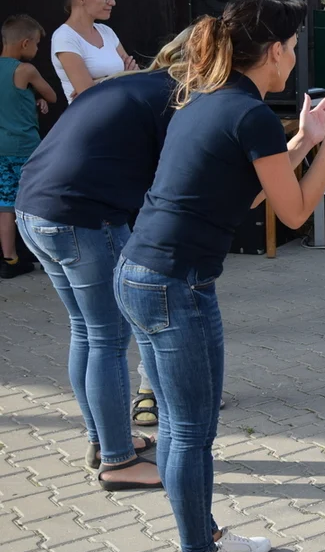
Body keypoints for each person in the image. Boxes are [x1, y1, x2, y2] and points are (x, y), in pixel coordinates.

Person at [114, 0, 325, 552]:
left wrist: (310, 137)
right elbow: (293, 212)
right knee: (189, 430)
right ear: (275, 51)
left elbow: (250, 194)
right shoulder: (249, 112)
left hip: (157, 276)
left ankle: (203, 534)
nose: (295, 60)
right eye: (293, 48)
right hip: (170, 283)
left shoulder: (219, 100)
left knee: (195, 425)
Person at [14, 31, 193, 490]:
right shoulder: (172, 98)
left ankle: (104, 439)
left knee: (88, 331)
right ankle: (118, 461)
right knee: (109, 338)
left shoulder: (132, 82)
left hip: (34, 207)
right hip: (81, 216)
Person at [1, 15, 56, 279]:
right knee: (35, 201)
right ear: (24, 43)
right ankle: (46, 258)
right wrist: (37, 97)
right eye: (36, 44)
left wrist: (27, 99)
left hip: (1, 149)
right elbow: (52, 95)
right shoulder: (25, 70)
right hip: (26, 147)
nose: (36, 50)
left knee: (5, 204)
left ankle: (9, 260)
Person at [51, 0, 138, 103]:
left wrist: (100, 82)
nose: (112, 2)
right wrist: (122, 77)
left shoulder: (107, 32)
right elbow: (90, 96)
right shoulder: (65, 37)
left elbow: (136, 77)